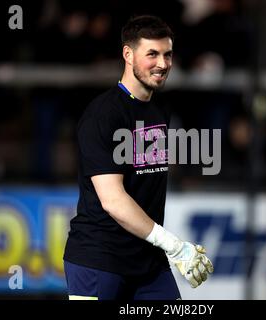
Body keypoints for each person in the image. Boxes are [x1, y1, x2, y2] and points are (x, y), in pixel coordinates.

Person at [63, 15, 213, 300]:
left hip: (148, 265)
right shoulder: (102, 115)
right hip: (98, 262)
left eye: (167, 54)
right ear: (128, 54)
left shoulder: (160, 109)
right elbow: (113, 201)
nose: (162, 64)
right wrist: (175, 246)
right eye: (152, 54)